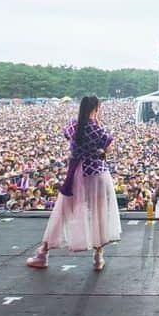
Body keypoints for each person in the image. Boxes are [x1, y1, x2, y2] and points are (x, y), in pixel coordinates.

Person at [26, 96, 120, 271]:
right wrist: (99, 148)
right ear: (96, 108)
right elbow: (107, 149)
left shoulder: (73, 124)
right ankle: (98, 257)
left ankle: (43, 254)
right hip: (98, 174)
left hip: (77, 173)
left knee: (61, 211)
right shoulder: (98, 129)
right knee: (99, 213)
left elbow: (68, 137)